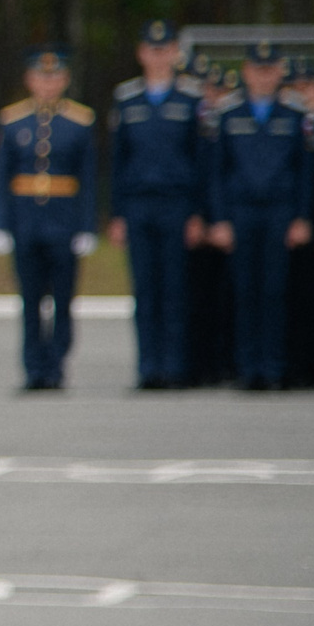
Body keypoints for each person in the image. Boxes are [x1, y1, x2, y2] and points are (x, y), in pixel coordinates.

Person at [205, 42, 314, 390]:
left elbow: (306, 172)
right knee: (245, 290)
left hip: (279, 211)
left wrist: (301, 217)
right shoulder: (228, 113)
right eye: (257, 69)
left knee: (275, 291)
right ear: (247, 71)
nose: (264, 76)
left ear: (280, 71)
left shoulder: (295, 115)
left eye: (270, 69)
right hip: (241, 211)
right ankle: (248, 367)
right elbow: (217, 172)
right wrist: (219, 219)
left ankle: (273, 366)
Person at [0, 48, 97, 391]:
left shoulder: (80, 122)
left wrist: (87, 226)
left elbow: (89, 180)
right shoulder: (12, 120)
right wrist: (0, 224)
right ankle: (34, 368)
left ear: (64, 80)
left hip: (63, 221)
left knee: (62, 299)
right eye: (41, 76)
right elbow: (1, 177)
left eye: (54, 77)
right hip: (26, 221)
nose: (48, 83)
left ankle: (56, 365)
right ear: (29, 80)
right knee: (30, 299)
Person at [108, 21, 206, 388]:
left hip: (177, 204)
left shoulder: (190, 100)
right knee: (145, 290)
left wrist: (198, 212)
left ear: (175, 54)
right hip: (138, 204)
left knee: (175, 290)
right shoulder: (127, 99)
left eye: (165, 50)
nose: (159, 57)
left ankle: (174, 366)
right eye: (152, 50)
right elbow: (118, 161)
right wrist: (117, 213)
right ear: (141, 54)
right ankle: (148, 367)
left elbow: (201, 162)